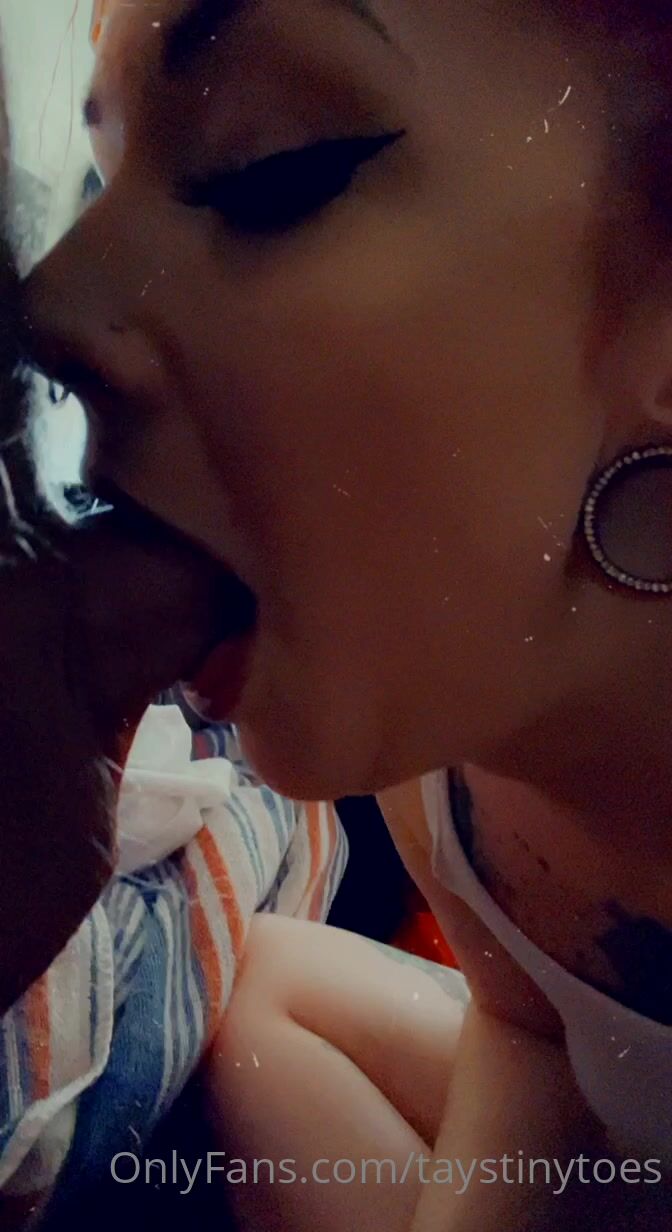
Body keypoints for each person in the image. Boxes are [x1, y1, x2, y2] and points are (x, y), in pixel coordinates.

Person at [22, 0, 672, 1228]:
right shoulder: (444, 768)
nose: (48, 310)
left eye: (265, 171)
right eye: (102, 188)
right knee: (264, 976)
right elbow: (531, 1032)